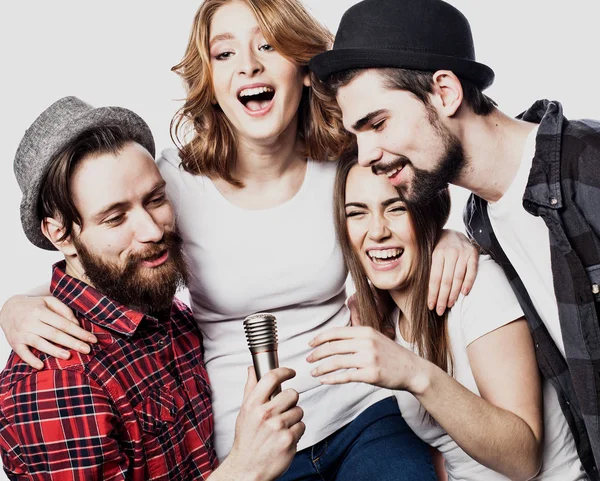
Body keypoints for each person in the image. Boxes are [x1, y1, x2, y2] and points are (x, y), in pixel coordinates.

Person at [0, 1, 479, 479]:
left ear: (305, 69)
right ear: (210, 81)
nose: (249, 64)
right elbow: (108, 259)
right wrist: (16, 304)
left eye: (267, 45)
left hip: (362, 412)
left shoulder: (344, 164)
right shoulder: (172, 182)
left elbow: (403, 215)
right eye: (224, 54)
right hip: (251, 441)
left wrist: (448, 238)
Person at [309, 0, 600, 477]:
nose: (365, 156)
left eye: (377, 123)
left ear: (444, 92)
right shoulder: (483, 221)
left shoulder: (587, 164)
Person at [0, 96, 305, 481]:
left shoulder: (164, 313)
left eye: (156, 199)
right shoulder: (57, 379)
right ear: (60, 234)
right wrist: (246, 468)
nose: (153, 230)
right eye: (115, 218)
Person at [307, 156, 588, 480]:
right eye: (356, 213)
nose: (377, 231)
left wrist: (413, 372)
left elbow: (524, 460)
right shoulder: (386, 322)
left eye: (396, 208)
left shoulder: (477, 286)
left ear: (426, 210)